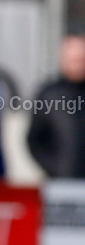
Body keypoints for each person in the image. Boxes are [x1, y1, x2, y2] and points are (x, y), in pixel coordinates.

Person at [27, 34, 85, 178]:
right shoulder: (49, 95)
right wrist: (55, 168)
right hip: (60, 182)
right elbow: (34, 140)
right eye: (74, 60)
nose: (78, 64)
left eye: (81, 59)